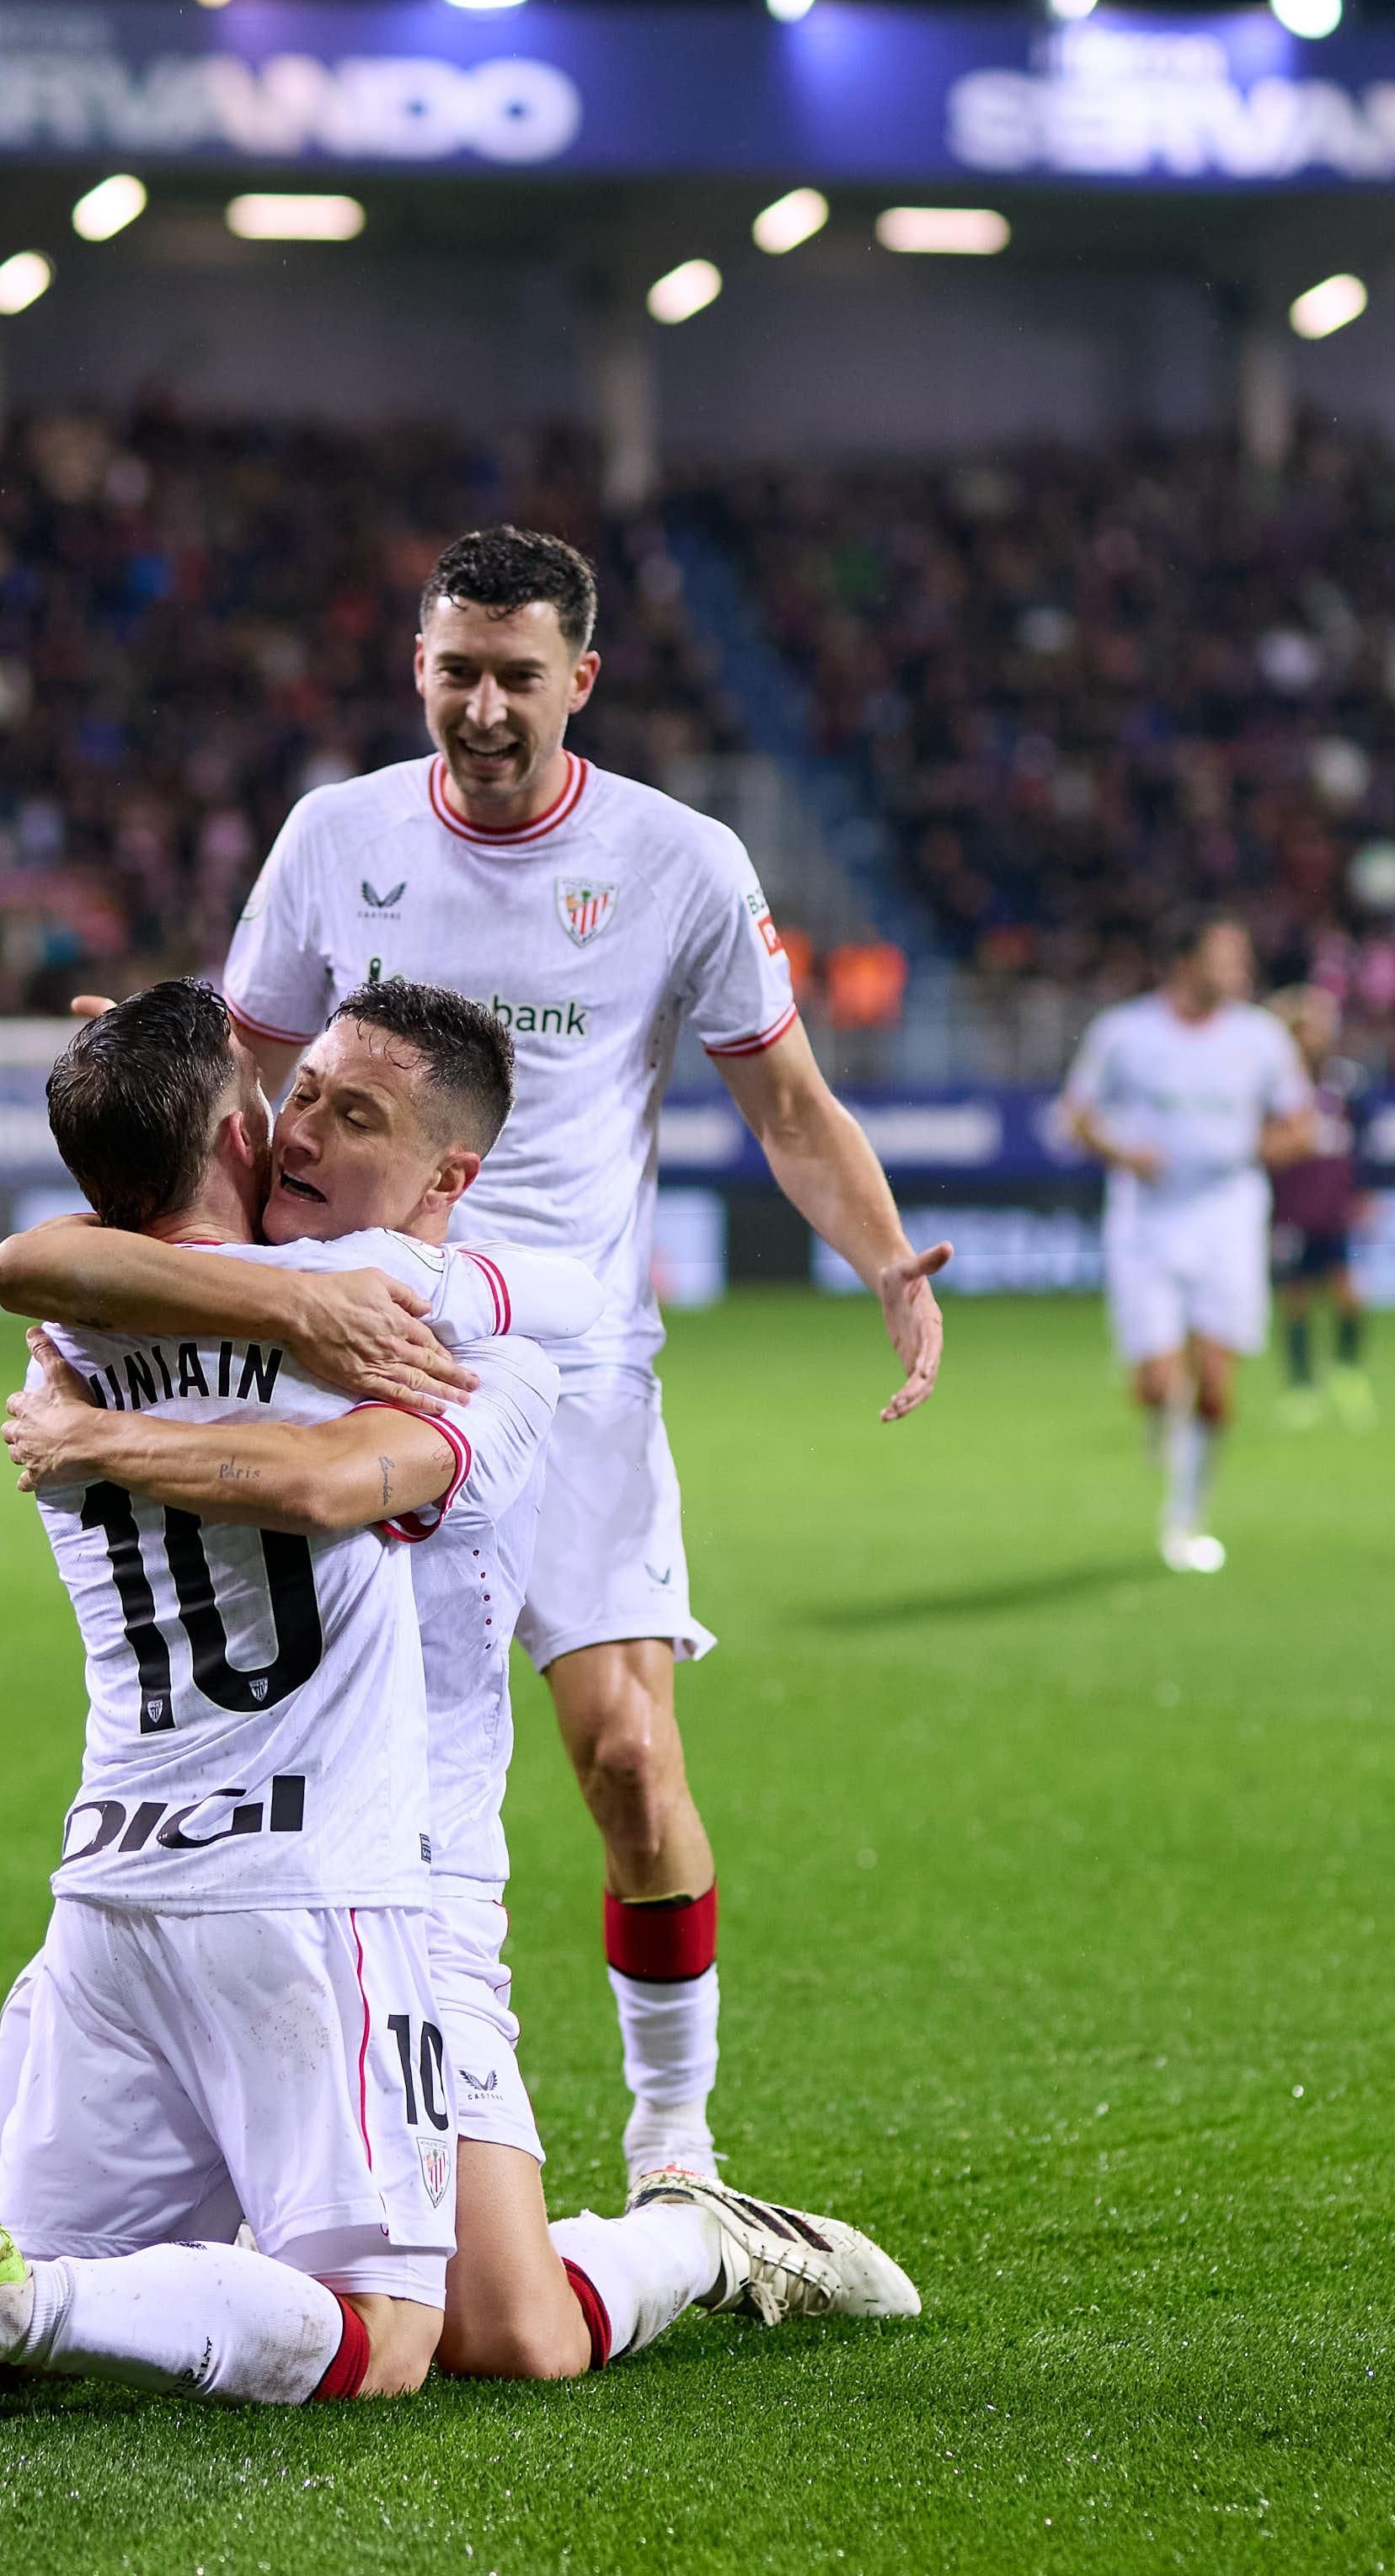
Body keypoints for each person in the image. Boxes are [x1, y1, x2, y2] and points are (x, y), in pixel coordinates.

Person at [0, 983, 901, 2426]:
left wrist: (102, 1426)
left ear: (450, 1176)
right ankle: (45, 2271)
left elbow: (51, 1266)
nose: (304, 1127)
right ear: (242, 1123)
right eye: (297, 1092)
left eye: (350, 1112)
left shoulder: (128, 1318)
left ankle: (702, 2228)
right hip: (332, 1880)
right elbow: (288, 1441)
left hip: (378, 1874)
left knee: (509, 2329)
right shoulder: (330, 1325)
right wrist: (282, 1283)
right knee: (376, 2328)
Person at [208, 526, 954, 2194]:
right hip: (357, 1349)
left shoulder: (677, 861)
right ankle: (326, 2119)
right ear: (419, 670)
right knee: (312, 1758)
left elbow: (786, 1101)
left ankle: (672, 2135)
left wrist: (888, 1259)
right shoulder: (336, 838)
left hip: (576, 1370)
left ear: (580, 683)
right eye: (454, 671)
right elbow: (241, 1079)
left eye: (515, 676)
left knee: (624, 1754)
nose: (482, 706)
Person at [1051, 912, 1316, 1575]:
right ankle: (1156, 1415)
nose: (1240, 973)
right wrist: (1122, 1152)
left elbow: (1303, 1125)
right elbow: (1074, 1116)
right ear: (1185, 963)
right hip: (1147, 1218)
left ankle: (1186, 1520)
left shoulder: (1261, 1039)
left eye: (1242, 960)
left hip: (1227, 1215)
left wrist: (1256, 1149)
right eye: (1227, 959)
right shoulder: (1124, 1033)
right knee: (1157, 1384)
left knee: (1217, 1389)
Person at [1263, 984, 1375, 1432]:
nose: (1320, 1034)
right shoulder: (1275, 1086)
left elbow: (1365, 1142)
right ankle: (1301, 1388)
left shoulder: (1345, 1081)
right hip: (1291, 1206)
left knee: (1348, 1293)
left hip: (1333, 1207)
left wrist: (1365, 1191)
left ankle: (1348, 1374)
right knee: (1296, 1298)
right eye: (1310, 1026)